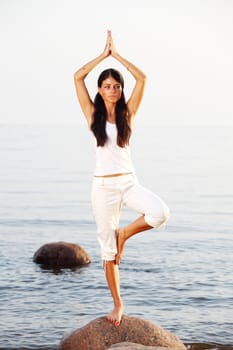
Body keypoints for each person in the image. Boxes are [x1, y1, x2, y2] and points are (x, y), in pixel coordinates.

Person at [74, 30, 170, 327]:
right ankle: (117, 303)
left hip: (128, 182)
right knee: (108, 252)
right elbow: (78, 77)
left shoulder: (129, 113)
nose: (112, 90)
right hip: (102, 188)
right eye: (107, 86)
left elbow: (142, 79)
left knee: (160, 213)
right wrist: (103, 56)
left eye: (116, 86)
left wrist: (119, 57)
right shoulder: (92, 114)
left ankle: (124, 234)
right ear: (100, 90)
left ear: (120, 90)